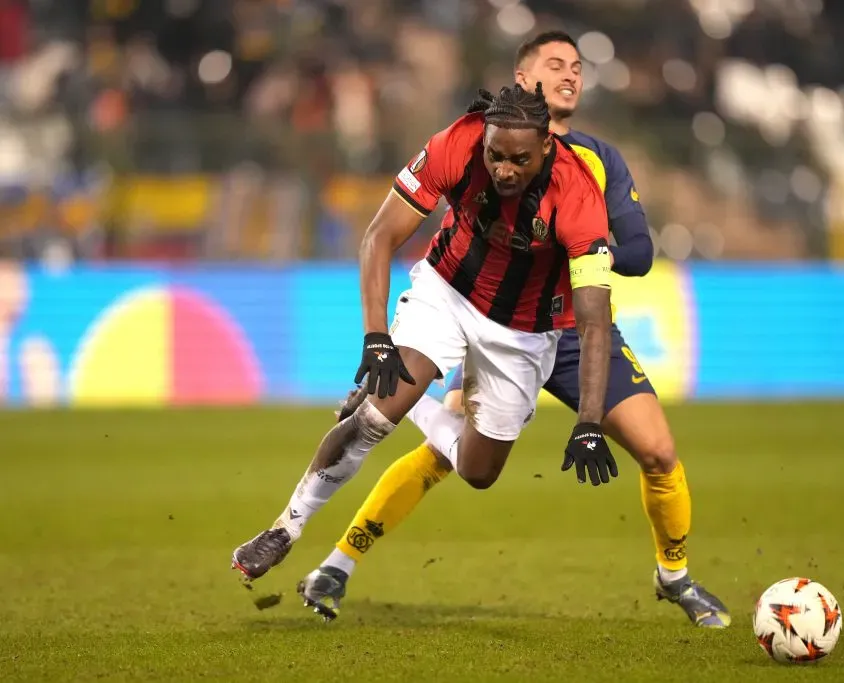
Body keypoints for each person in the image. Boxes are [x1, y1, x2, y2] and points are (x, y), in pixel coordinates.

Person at [303, 32, 731, 628]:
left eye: (578, 68)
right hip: (494, 323)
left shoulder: (596, 162)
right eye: (555, 65)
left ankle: (675, 576)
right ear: (522, 80)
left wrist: (586, 233)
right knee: (446, 456)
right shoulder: (481, 147)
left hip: (576, 333)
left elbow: (635, 252)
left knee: (658, 450)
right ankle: (337, 563)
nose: (572, 75)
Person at [232, 81, 621, 618]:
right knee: (376, 418)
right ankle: (285, 528)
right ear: (482, 139)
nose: (504, 169)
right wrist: (376, 337)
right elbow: (378, 236)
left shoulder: (579, 196)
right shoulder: (454, 145)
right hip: (448, 291)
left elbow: (596, 322)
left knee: (479, 472)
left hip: (524, 332)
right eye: (496, 155)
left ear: (547, 148)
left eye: (519, 160)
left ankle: (414, 406)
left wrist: (590, 421)